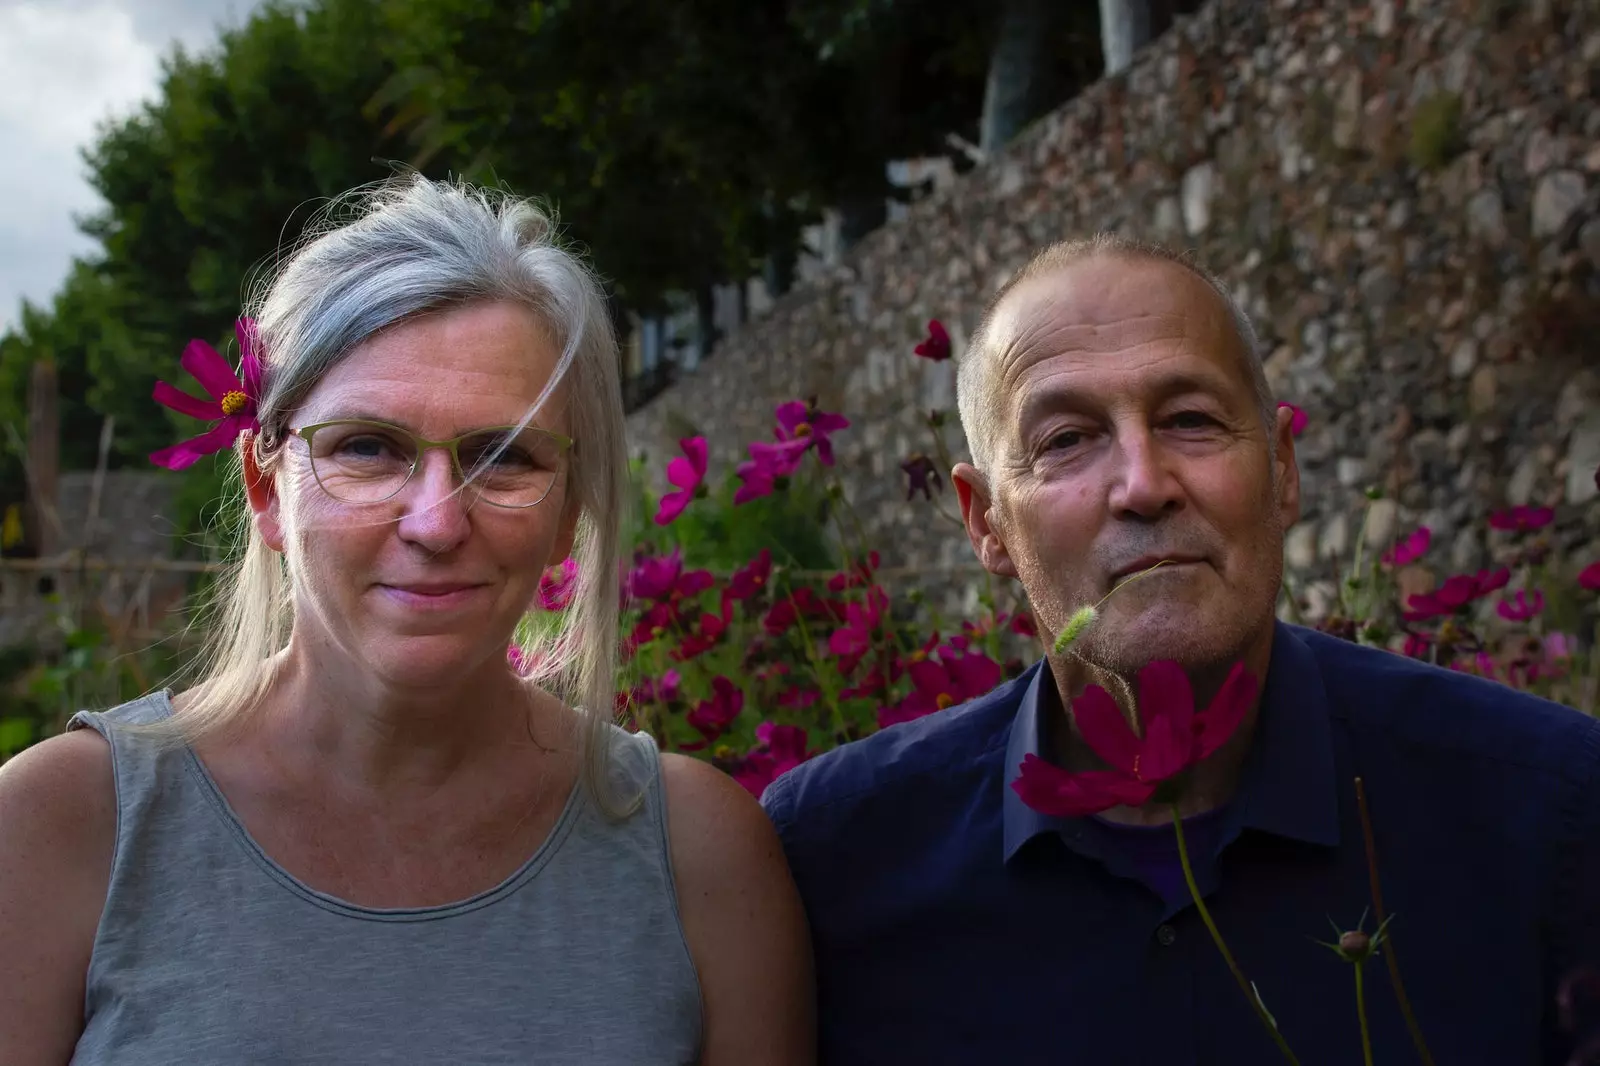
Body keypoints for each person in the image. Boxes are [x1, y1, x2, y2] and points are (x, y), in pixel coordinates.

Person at [0, 176, 813, 1065]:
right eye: (367, 448)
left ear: (567, 512)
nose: (436, 521)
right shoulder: (63, 829)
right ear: (265, 488)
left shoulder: (702, 858)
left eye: (502, 458)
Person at [761, 234, 1600, 1065]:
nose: (1143, 484)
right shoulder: (833, 862)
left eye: (1190, 420)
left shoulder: (1552, 818)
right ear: (986, 522)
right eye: (1065, 441)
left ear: (1282, 470)